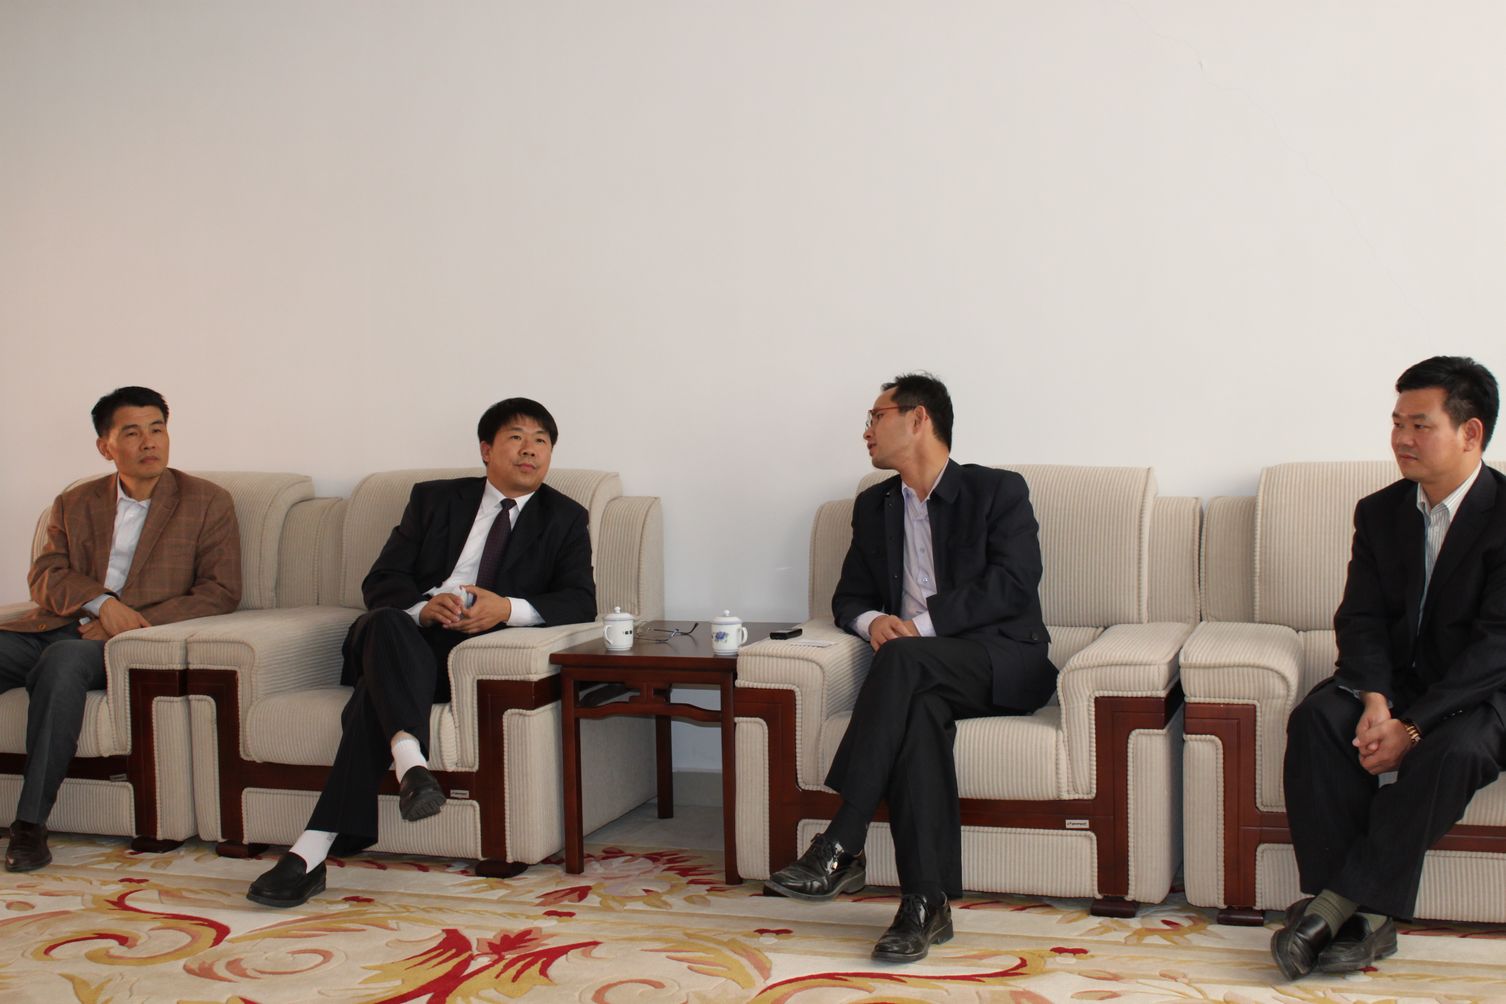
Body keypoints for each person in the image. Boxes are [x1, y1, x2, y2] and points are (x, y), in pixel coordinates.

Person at [247, 397, 596, 908]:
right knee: (387, 621)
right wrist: (422, 609)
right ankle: (407, 761)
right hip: (401, 635)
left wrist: (505, 609)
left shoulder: (564, 517)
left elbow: (581, 600)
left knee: (374, 697)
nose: (530, 450)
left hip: (465, 657)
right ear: (486, 449)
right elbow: (381, 580)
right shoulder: (435, 500)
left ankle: (318, 844)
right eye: (516, 438)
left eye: (541, 441)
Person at [763, 373, 1057, 962]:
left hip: (1004, 661)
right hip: (918, 674)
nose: (866, 431)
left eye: (876, 416)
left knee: (903, 658)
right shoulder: (874, 506)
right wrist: (873, 620)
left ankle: (843, 839)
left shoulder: (997, 490)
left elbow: (1015, 582)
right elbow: (848, 597)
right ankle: (924, 904)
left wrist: (919, 627)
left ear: (918, 418)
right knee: (918, 715)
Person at [1272, 356, 1506, 981]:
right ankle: (1364, 923)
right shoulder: (1379, 512)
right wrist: (1377, 702)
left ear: (1471, 432)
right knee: (1319, 719)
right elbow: (1361, 619)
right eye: (1397, 423)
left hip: (1484, 691)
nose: (1402, 439)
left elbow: (1497, 646)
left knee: (1453, 752)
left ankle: (1332, 909)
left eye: (1420, 425)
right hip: (1396, 681)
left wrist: (1415, 727)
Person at [1, 386, 241, 872]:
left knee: (63, 662)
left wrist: (125, 624)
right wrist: (101, 604)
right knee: (49, 651)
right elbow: (45, 575)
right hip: (58, 625)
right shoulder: (74, 501)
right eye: (132, 433)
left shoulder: (206, 502)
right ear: (105, 446)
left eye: (157, 429)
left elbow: (219, 591)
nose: (149, 442)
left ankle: (29, 824)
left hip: (124, 644)